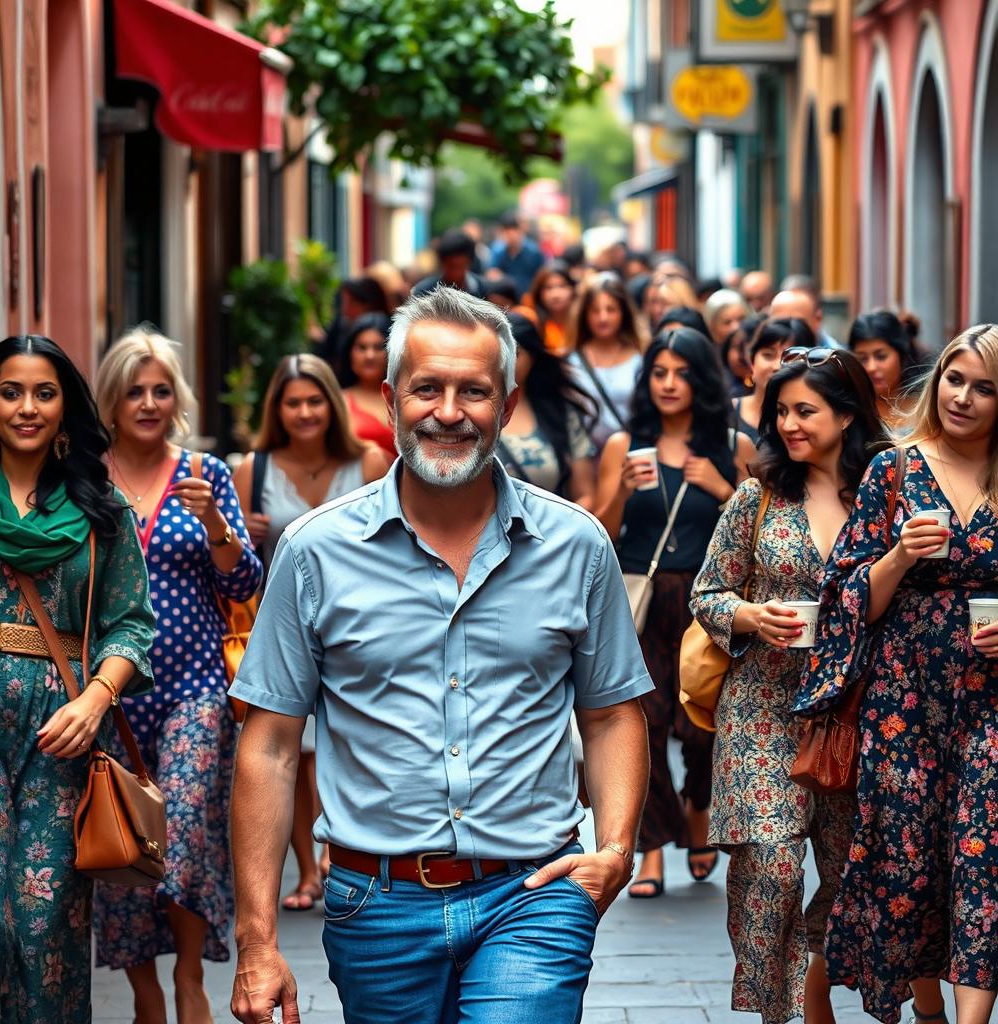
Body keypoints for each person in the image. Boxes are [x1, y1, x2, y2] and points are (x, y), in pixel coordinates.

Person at [228, 286, 653, 1024]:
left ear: (509, 406)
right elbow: (268, 745)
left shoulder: (576, 544)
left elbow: (613, 711)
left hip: (535, 893)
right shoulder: (313, 554)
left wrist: (614, 850)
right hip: (374, 905)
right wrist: (257, 941)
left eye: (474, 391)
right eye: (428, 388)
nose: (449, 412)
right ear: (391, 401)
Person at [794, 325, 998, 1024]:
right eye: (954, 378)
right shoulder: (895, 470)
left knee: (983, 860)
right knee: (908, 867)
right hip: (902, 703)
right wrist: (900, 556)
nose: (963, 397)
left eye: (985, 387)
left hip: (989, 703)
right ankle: (928, 1009)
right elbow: (844, 594)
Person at [691, 346, 888, 1024]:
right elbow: (707, 592)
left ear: (847, 413)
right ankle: (781, 1013)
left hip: (852, 713)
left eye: (805, 409)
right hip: (762, 707)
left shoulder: (886, 495)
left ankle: (812, 993)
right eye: (781, 411)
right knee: (771, 868)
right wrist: (749, 614)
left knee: (844, 877)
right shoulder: (759, 495)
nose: (789, 423)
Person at [0, 335, 155, 1023]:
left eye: (43, 393)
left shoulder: (100, 510)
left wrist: (95, 697)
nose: (26, 407)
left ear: (64, 406)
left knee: (43, 918)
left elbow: (131, 624)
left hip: (65, 729)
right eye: (10, 391)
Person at [93, 327, 263, 1024]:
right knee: (123, 839)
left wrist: (218, 525)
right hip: (108, 689)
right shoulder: (83, 478)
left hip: (194, 685)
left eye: (161, 389)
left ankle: (190, 975)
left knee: (188, 829)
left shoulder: (205, 474)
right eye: (134, 390)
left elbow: (245, 579)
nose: (149, 402)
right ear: (111, 399)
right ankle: (145, 995)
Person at [594, 327, 755, 901]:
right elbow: (601, 533)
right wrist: (619, 489)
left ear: (702, 381)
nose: (668, 384)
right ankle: (653, 849)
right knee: (647, 721)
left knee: (704, 722)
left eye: (681, 373)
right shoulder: (622, 445)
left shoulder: (732, 446)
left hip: (707, 603)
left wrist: (723, 485)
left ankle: (698, 805)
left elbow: (767, 526)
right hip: (641, 597)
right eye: (658, 372)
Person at [233, 354, 389, 916]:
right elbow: (234, 564)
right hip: (282, 624)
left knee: (341, 742)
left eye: (315, 400)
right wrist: (237, 534)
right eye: (292, 402)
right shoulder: (252, 469)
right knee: (292, 755)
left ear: (333, 405)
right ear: (277, 409)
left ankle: (338, 855)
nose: (304, 412)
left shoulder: (368, 461)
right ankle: (305, 867)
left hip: (361, 624)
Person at [500, 312, 597, 507]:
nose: (505, 363)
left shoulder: (559, 411)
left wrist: (556, 533)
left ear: (534, 357)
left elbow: (585, 495)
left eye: (516, 354)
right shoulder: (467, 411)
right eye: (499, 353)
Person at [566, 274, 647, 452]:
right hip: (583, 459)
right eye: (595, 311)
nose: (603, 317)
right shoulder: (571, 362)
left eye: (611, 310)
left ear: (623, 313)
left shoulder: (639, 360)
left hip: (629, 454)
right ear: (585, 315)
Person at [733, 318, 816, 441]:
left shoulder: (814, 420)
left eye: (791, 358)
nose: (777, 366)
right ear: (752, 362)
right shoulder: (726, 412)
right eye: (768, 355)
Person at [848, 309, 925, 427]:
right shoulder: (849, 413)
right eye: (863, 359)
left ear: (901, 356)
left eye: (881, 357)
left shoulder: (926, 409)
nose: (871, 367)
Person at [338, 312, 397, 458]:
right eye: (362, 348)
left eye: (378, 347)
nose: (369, 356)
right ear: (350, 353)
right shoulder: (338, 401)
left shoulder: (406, 397)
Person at [411, 229, 486, 297]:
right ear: (442, 263)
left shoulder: (485, 290)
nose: (455, 273)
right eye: (451, 266)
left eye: (460, 266)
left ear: (469, 262)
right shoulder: (425, 292)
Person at [771, 278, 841, 349]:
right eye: (779, 324)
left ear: (818, 319)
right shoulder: (762, 352)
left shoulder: (836, 357)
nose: (788, 330)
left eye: (797, 323)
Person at [489, 211, 545, 297]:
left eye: (514, 230)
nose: (511, 236)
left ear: (521, 230)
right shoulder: (498, 251)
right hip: (507, 299)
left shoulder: (534, 252)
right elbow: (492, 273)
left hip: (529, 297)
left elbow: (542, 276)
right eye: (506, 231)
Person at [528, 261, 577, 355]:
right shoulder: (534, 325)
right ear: (539, 293)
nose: (556, 294)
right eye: (548, 288)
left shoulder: (583, 323)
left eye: (562, 286)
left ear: (572, 289)